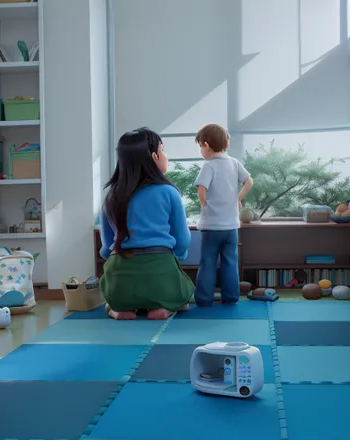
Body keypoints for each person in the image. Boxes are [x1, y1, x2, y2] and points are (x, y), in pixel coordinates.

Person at [99, 128, 194, 320]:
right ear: (154, 156)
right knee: (184, 297)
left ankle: (119, 310)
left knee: (112, 298)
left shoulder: (111, 196)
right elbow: (182, 239)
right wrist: (177, 259)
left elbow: (105, 246)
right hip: (161, 269)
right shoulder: (169, 192)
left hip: (120, 278)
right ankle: (162, 309)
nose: (166, 156)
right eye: (163, 150)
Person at [194, 124, 253, 306]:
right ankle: (231, 297)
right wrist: (237, 198)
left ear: (206, 145)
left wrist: (204, 205)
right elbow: (249, 182)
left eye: (200, 147)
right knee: (230, 262)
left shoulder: (209, 166)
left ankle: (204, 299)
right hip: (231, 228)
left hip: (211, 228)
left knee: (208, 263)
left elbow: (201, 189)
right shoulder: (234, 163)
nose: (201, 151)